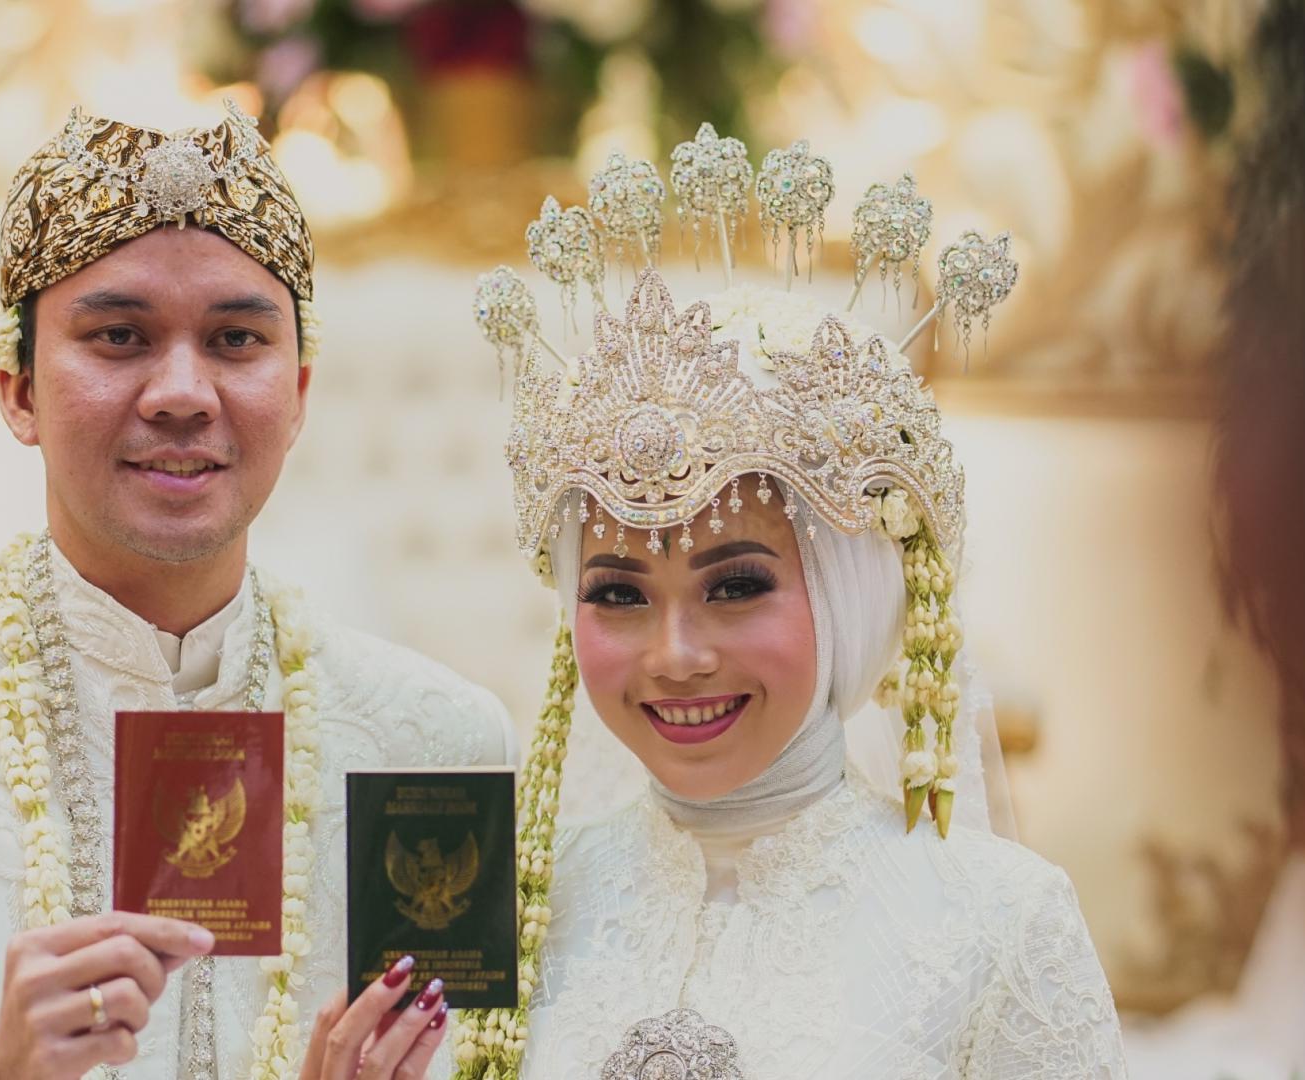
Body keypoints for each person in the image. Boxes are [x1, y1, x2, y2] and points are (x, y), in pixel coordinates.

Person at [0, 101, 515, 1079]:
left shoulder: (437, 743)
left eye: (236, 340)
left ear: (300, 393)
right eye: (120, 336)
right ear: (17, 388)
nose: (182, 393)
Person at [458, 135, 1127, 1078]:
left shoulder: (999, 923)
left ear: (852, 593)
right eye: (618, 594)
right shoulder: (504, 910)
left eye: (735, 587)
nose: (675, 655)